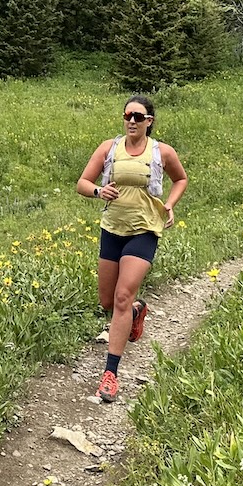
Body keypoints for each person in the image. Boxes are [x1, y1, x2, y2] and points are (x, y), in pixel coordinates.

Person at [76, 94, 188, 402]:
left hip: (145, 230)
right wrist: (99, 190)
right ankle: (137, 311)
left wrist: (168, 205)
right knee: (107, 301)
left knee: (122, 296)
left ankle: (110, 375)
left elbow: (180, 179)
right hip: (112, 229)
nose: (132, 121)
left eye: (139, 117)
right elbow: (82, 183)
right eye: (128, 116)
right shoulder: (109, 148)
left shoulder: (161, 151)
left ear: (149, 121)